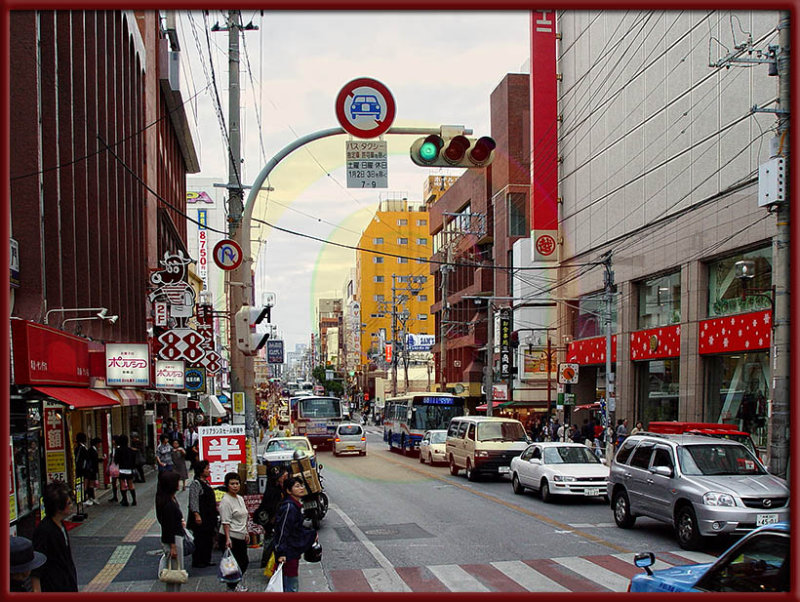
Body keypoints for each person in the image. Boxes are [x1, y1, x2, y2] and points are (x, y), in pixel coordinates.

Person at [31, 481, 78, 591]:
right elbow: (37, 566)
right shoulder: (44, 530)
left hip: (67, 582)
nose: (72, 505)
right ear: (59, 507)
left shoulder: (60, 525)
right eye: (69, 503)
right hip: (53, 586)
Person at [274, 477, 318, 593]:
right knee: (290, 584)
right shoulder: (289, 507)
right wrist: (281, 552)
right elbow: (283, 531)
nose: (301, 488)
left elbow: (296, 529)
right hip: (288, 552)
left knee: (290, 582)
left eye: (301, 485)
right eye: (297, 486)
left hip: (292, 551)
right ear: (289, 491)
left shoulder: (295, 505)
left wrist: (311, 534)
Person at [218, 472, 250, 591]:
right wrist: (227, 538)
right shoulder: (226, 501)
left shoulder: (240, 498)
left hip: (241, 535)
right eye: (232, 484)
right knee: (234, 564)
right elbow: (225, 522)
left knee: (244, 562)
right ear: (227, 485)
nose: (235, 486)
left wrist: (246, 532)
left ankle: (234, 584)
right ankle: (232, 586)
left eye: (237, 483)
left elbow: (244, 517)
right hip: (231, 536)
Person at [155, 470, 185, 592]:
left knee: (175, 570)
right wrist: (173, 546)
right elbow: (168, 526)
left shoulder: (168, 499)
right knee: (175, 572)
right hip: (174, 540)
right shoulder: (168, 504)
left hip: (176, 537)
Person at [256, 464, 290, 568]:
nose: (284, 478)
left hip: (275, 522)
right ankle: (266, 563)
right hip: (271, 523)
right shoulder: (273, 491)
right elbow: (272, 509)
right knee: (270, 543)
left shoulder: (280, 489)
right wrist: (274, 520)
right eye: (282, 476)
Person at [187, 460, 218, 568]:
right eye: (207, 469)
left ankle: (206, 559)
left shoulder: (206, 483)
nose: (209, 471)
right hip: (201, 516)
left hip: (209, 517)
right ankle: (198, 560)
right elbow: (193, 501)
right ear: (201, 471)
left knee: (208, 539)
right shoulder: (196, 484)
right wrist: (196, 514)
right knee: (200, 539)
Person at [115, 434, 138, 506]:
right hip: (129, 469)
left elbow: (116, 460)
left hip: (122, 469)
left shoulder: (118, 450)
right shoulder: (130, 450)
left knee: (122, 484)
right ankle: (134, 500)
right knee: (131, 484)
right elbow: (134, 460)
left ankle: (125, 501)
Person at [74, 432, 93, 505]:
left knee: (80, 484)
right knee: (84, 483)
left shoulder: (77, 448)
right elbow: (86, 458)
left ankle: (81, 498)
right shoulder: (82, 448)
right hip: (83, 469)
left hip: (79, 469)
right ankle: (83, 498)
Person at [108, 435, 119, 502]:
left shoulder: (117, 449)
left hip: (117, 466)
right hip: (114, 467)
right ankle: (115, 496)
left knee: (120, 481)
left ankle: (118, 496)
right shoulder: (113, 449)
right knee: (114, 482)